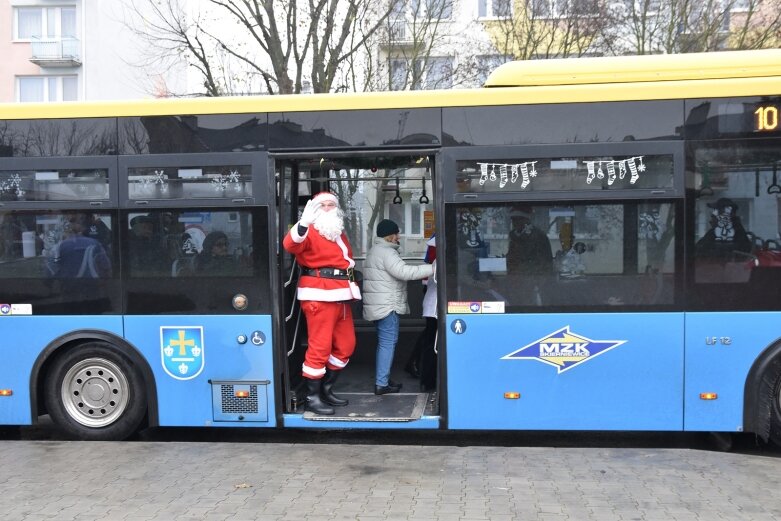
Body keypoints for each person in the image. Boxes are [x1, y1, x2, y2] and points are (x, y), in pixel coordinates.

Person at [282, 192, 361, 415]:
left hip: (342, 295)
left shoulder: (338, 232)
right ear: (314, 210)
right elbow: (289, 244)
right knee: (320, 347)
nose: (327, 208)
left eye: (331, 204)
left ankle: (326, 388)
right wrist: (303, 222)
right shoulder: (308, 230)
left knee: (346, 345)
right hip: (319, 295)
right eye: (322, 205)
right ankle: (312, 396)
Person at [363, 219, 434, 395]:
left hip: (378, 305)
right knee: (388, 343)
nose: (399, 236)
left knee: (383, 343)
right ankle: (382, 383)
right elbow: (404, 272)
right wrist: (433, 268)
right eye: (397, 233)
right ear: (391, 235)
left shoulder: (375, 251)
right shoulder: (387, 252)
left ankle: (383, 379)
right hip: (387, 306)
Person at [505, 206, 553, 305]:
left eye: (517, 219)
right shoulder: (513, 235)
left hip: (531, 281)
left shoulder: (539, 236)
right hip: (514, 280)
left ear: (526, 220)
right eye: (513, 220)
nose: (514, 222)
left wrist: (538, 282)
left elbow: (546, 262)